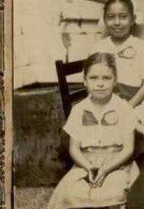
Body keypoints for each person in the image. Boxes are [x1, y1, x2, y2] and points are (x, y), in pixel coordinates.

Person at [47, 53, 138, 209]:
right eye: (94, 78)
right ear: (84, 81)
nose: (100, 84)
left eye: (106, 78)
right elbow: (74, 149)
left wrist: (106, 169)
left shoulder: (124, 108)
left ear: (115, 80)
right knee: (70, 192)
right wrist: (88, 167)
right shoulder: (79, 110)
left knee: (113, 193)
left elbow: (128, 148)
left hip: (117, 163)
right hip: (85, 162)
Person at [91, 0, 144, 106]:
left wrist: (129, 107)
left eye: (123, 17)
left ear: (132, 20)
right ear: (104, 20)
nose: (117, 22)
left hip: (135, 103)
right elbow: (91, 81)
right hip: (105, 102)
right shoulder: (98, 48)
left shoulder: (142, 47)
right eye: (111, 17)